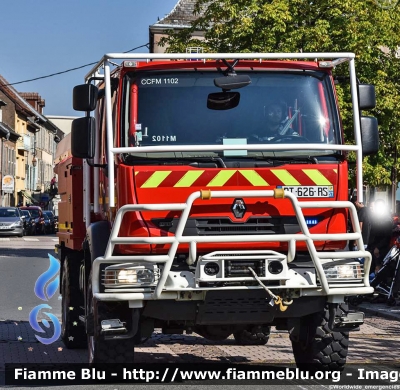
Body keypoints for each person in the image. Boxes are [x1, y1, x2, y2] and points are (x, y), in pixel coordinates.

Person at [367, 199, 393, 275]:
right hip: (372, 247)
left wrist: (378, 247)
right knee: (371, 269)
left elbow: (387, 236)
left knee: (378, 269)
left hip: (380, 249)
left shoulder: (386, 219)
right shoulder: (375, 218)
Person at [348, 196, 371, 262]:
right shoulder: (369, 210)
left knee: (358, 263)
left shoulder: (361, 211)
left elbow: (359, 227)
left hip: (360, 242)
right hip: (366, 241)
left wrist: (355, 241)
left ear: (356, 203)